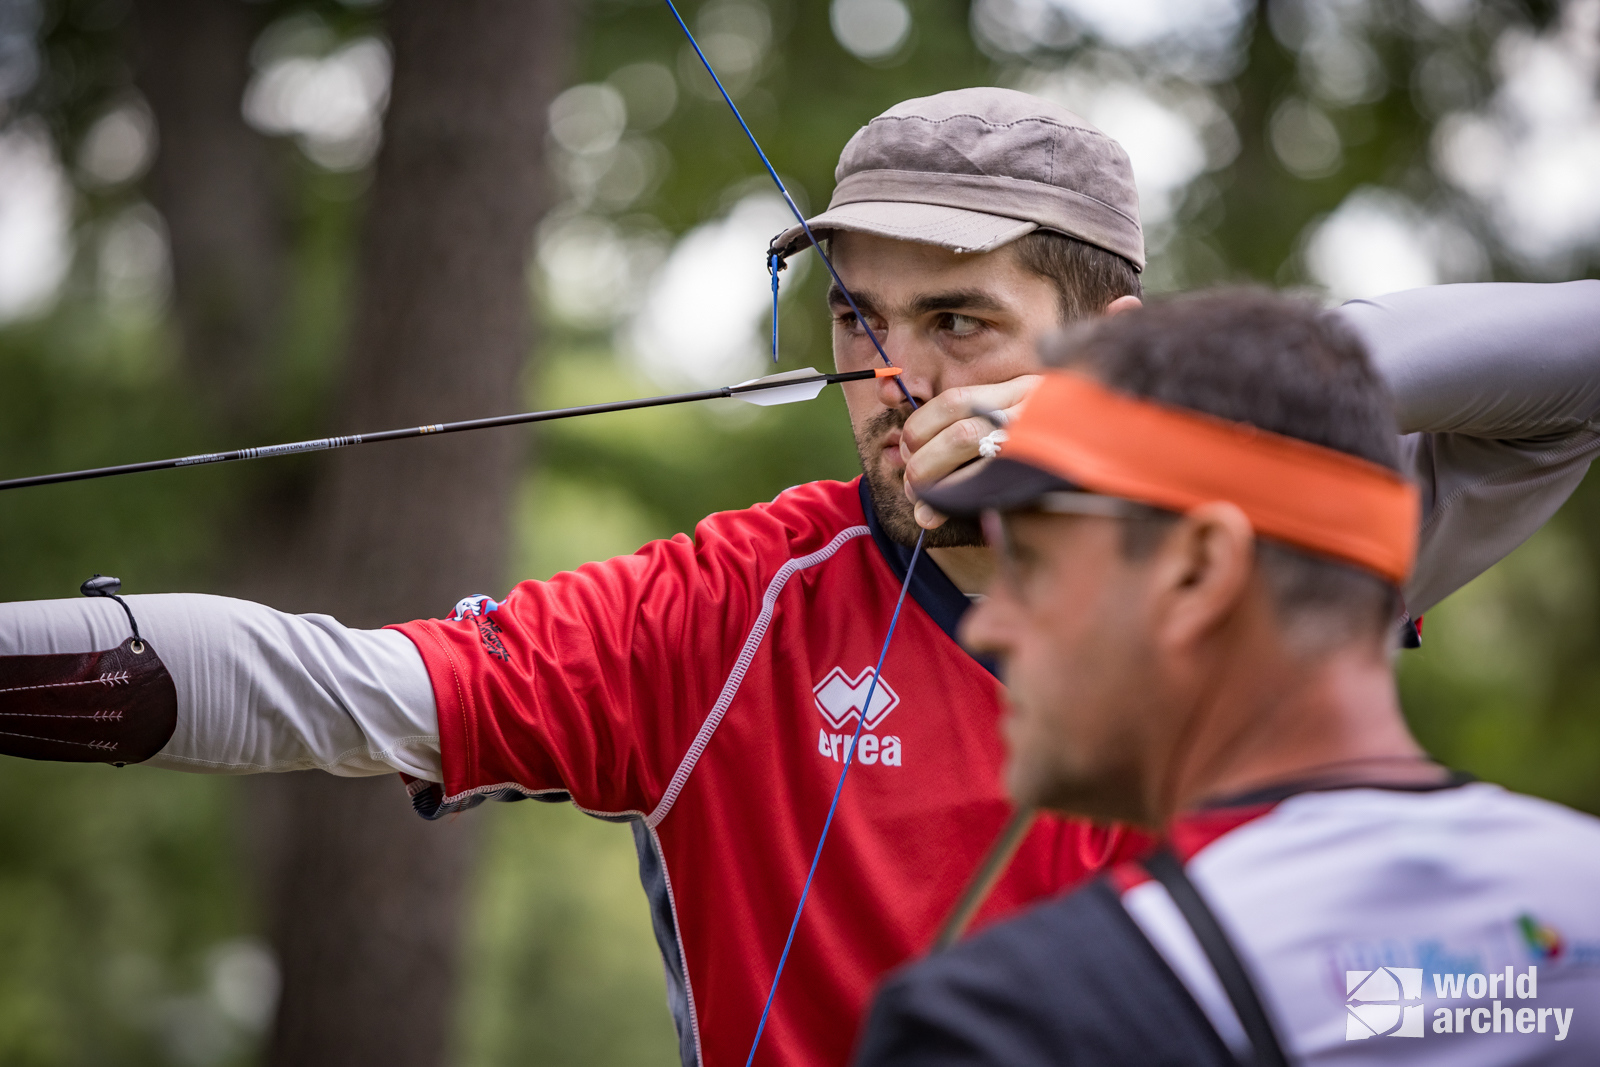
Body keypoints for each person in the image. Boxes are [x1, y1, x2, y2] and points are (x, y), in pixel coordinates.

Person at [3, 88, 1599, 1067]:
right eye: (857, 316)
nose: (890, 376)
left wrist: (1179, 404)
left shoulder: (1256, 537)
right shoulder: (743, 602)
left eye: (957, 320)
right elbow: (322, 686)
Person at [853, 289, 1600, 1066]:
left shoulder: (1004, 1024)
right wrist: (1278, 379)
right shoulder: (1580, 897)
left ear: (1202, 568)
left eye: (1034, 567)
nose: (987, 623)